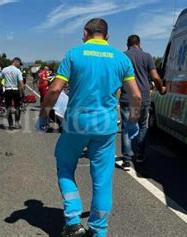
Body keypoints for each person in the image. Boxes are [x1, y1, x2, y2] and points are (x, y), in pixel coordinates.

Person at [38, 18, 141, 236]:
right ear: (107, 36)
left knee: (65, 167)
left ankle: (73, 221)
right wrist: (132, 121)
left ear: (85, 32)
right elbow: (136, 95)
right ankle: (99, 229)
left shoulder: (73, 54)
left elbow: (55, 90)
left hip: (76, 123)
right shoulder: (121, 58)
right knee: (102, 180)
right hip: (106, 126)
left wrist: (43, 116)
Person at [119, 35, 166, 169]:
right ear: (139, 44)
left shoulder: (122, 57)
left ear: (127, 44)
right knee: (143, 125)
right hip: (143, 97)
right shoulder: (147, 56)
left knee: (127, 127)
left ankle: (127, 158)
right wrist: (161, 88)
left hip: (127, 97)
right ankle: (139, 155)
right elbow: (155, 76)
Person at [0, 57, 25, 129]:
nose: (20, 65)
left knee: (8, 107)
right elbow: (21, 82)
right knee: (17, 106)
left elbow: (0, 78)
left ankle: (10, 124)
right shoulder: (17, 71)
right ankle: (16, 123)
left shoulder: (4, 69)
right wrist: (23, 93)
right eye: (19, 64)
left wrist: (1, 87)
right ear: (16, 62)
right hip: (15, 90)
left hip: (7, 90)